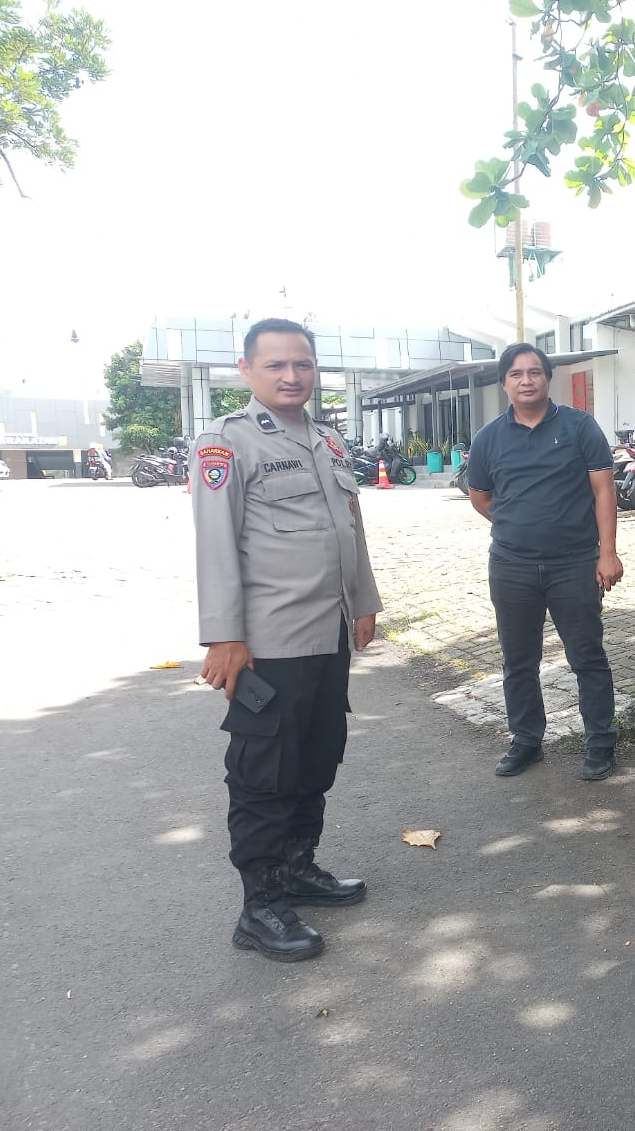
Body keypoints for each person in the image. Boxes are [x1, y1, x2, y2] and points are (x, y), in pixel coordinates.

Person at [193, 317, 382, 963]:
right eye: (275, 365)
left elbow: (349, 527)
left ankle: (298, 868)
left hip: (327, 632)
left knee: (317, 758)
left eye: (302, 364)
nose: (292, 375)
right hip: (268, 640)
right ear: (247, 370)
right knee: (264, 774)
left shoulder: (327, 440)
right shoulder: (226, 442)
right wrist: (224, 635)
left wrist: (363, 602)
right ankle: (261, 905)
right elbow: (215, 542)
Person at [465, 343, 623, 781]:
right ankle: (526, 740)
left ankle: (600, 743)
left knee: (587, 657)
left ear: (547, 378)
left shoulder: (578, 426)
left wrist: (607, 553)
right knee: (518, 661)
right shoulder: (489, 438)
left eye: (534, 372)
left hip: (574, 564)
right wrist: (518, 523)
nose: (526, 381)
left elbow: (604, 491)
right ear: (504, 383)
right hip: (511, 567)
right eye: (516, 374)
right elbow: (480, 497)